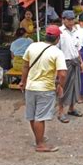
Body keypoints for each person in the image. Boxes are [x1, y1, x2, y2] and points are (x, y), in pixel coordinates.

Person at [19, 25, 67, 153]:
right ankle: (40, 144)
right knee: (40, 117)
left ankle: (38, 138)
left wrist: (22, 81)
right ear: (57, 39)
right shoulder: (57, 52)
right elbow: (62, 74)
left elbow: (25, 66)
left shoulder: (32, 46)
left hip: (30, 86)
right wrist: (60, 86)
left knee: (32, 115)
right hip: (45, 88)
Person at [57, 10, 83, 123]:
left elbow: (77, 49)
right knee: (63, 87)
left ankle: (72, 108)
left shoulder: (76, 31)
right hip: (64, 62)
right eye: (68, 19)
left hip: (75, 62)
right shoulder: (59, 32)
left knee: (75, 86)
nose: (71, 21)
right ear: (63, 19)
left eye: (72, 19)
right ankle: (60, 111)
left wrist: (81, 62)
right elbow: (56, 49)